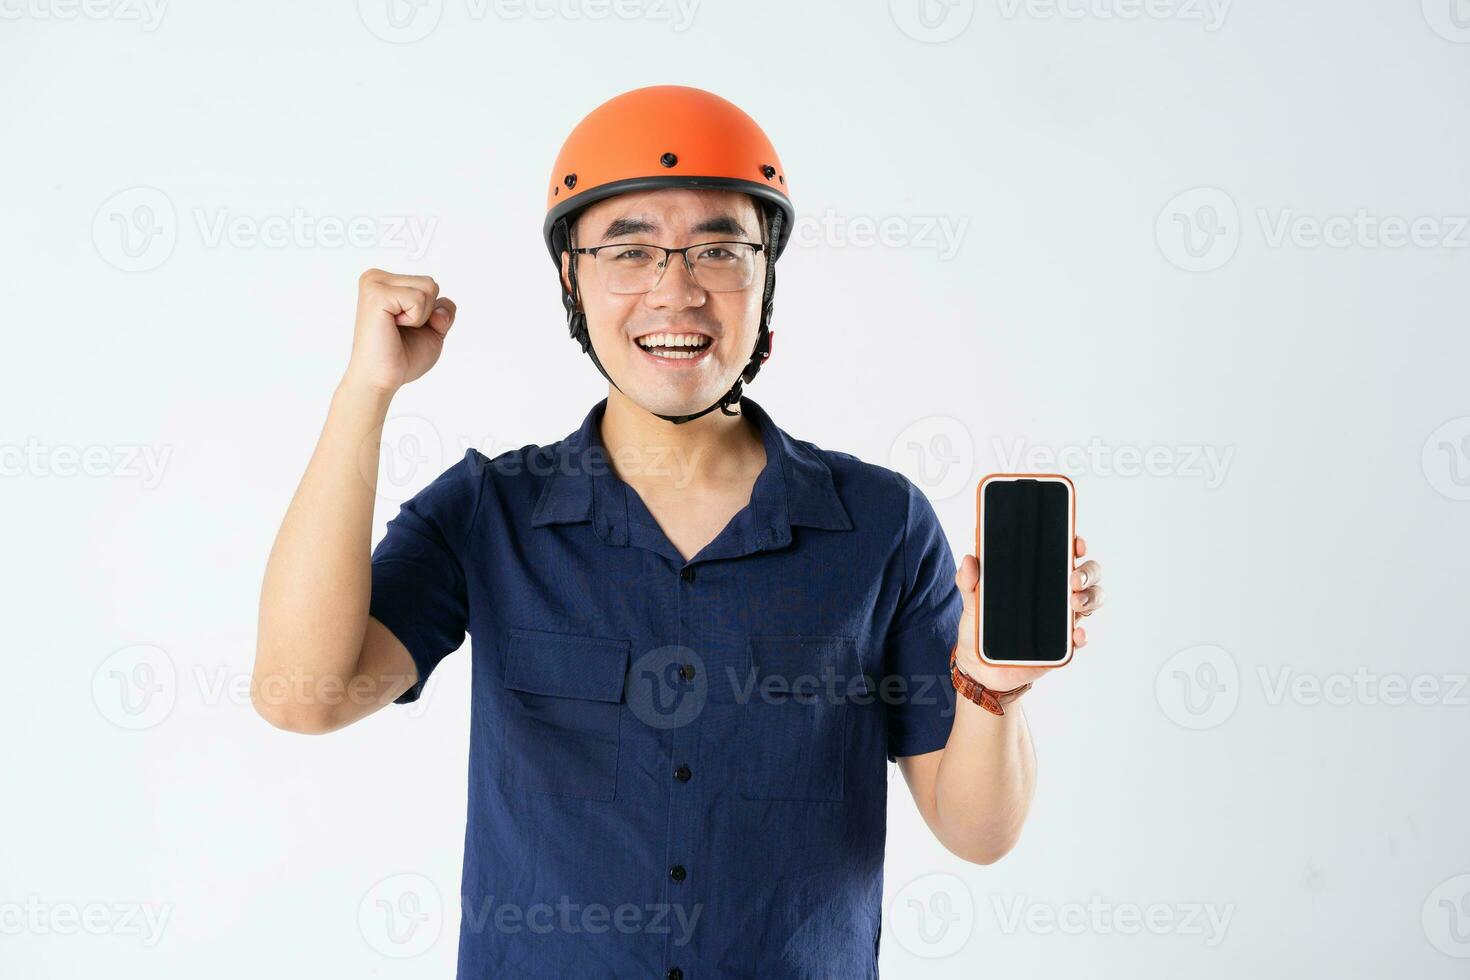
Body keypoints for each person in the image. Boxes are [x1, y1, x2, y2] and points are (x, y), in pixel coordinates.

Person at [251, 84, 1105, 979]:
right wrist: (366, 392)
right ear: (572, 282)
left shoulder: (881, 524)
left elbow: (978, 834)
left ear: (765, 278)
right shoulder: (488, 512)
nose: (677, 289)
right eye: (630, 249)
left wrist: (992, 685)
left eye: (718, 249)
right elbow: (300, 695)